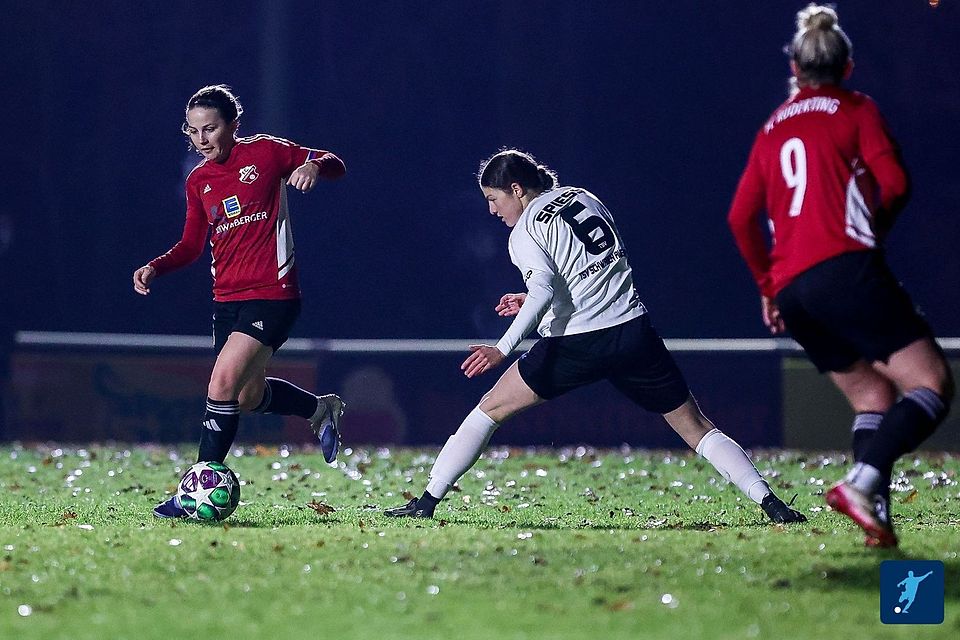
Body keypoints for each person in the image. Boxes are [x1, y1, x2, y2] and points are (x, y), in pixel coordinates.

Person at [385, 149, 806, 524]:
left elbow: (546, 288)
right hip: (631, 332)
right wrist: (536, 297)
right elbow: (588, 270)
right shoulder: (585, 197)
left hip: (577, 343)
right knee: (696, 428)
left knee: (489, 409)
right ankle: (771, 504)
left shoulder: (525, 229)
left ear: (516, 189)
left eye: (494, 199)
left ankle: (426, 501)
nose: (493, 211)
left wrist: (502, 347)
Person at [727, 5, 953, 548]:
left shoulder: (771, 127)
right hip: (844, 267)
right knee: (932, 385)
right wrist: (871, 231)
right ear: (847, 67)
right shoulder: (856, 109)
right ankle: (861, 483)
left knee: (872, 396)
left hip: (793, 289)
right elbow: (895, 183)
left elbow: (739, 217)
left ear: (796, 70)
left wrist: (767, 286)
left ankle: (875, 516)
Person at [133, 85, 347, 518]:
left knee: (220, 385)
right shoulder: (199, 180)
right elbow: (193, 245)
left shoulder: (266, 153)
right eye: (192, 132)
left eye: (210, 128)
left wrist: (312, 166)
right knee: (246, 396)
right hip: (226, 301)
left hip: (273, 295)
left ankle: (195, 487)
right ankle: (319, 409)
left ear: (233, 124)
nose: (201, 139)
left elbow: (335, 164)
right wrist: (157, 266)